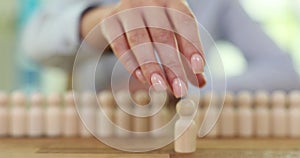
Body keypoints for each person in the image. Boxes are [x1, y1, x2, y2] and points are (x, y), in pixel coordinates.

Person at [22, 0, 300, 97]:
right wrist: (99, 21)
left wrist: (190, 90)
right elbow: (33, 45)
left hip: (189, 126)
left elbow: (285, 72)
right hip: (94, 137)